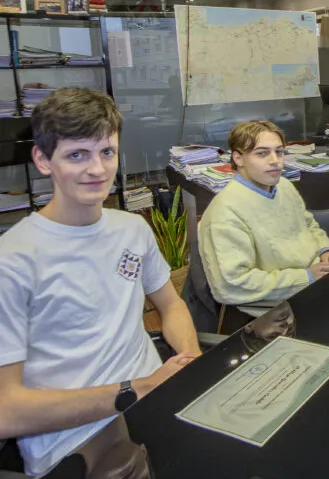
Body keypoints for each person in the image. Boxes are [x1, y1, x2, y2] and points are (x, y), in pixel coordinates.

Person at [0, 88, 200, 477]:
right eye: (77, 154)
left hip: (152, 402)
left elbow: (171, 305)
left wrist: (187, 359)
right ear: (43, 160)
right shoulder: (13, 260)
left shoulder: (131, 229)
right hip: (75, 440)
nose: (97, 169)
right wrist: (136, 389)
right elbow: (6, 412)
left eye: (106, 152)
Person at [198, 120, 329, 312]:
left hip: (316, 281)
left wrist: (325, 249)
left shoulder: (283, 185)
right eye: (262, 153)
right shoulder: (225, 212)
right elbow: (231, 285)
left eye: (279, 151)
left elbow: (308, 225)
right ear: (238, 158)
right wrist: (305, 277)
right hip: (278, 306)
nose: (275, 160)